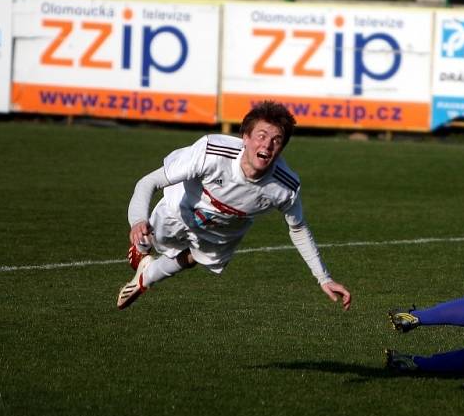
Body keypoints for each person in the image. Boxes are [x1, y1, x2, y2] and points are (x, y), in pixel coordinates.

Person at [116, 100, 351, 311]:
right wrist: (137, 220)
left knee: (197, 257)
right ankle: (143, 248)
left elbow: (298, 229)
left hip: (228, 226)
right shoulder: (211, 152)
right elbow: (149, 182)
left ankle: (145, 279)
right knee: (149, 234)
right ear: (245, 138)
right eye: (261, 135)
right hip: (183, 205)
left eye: (276, 140)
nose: (267, 145)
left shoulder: (285, 187)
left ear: (282, 148)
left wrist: (324, 278)